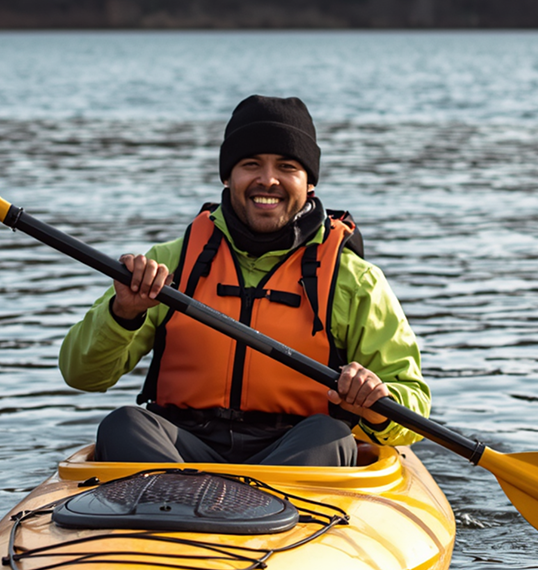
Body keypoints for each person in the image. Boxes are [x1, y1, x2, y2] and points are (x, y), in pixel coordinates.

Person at [59, 95, 430, 467]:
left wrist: (377, 401)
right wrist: (122, 313)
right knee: (123, 424)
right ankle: (180, 503)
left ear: (309, 183)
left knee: (329, 435)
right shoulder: (168, 263)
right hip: (181, 449)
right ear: (227, 176)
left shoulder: (354, 279)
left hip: (294, 453)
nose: (267, 180)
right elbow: (82, 375)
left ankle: (233, 511)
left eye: (287, 166)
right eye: (251, 164)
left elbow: (413, 405)